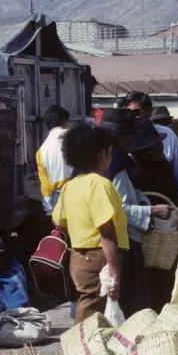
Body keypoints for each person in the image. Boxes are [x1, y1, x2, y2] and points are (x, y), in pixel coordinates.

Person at [53, 123, 128, 323]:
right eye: (109, 153)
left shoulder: (71, 186)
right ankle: (79, 350)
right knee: (92, 311)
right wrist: (115, 272)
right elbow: (107, 233)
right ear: (102, 154)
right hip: (98, 258)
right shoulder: (100, 185)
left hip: (78, 257)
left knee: (88, 303)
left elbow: (59, 219)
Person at [100, 108, 169, 317]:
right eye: (132, 135)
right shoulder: (117, 164)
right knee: (131, 303)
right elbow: (119, 209)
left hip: (98, 243)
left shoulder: (96, 163)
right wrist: (151, 210)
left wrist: (139, 197)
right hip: (122, 242)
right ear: (120, 137)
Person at [127, 121, 178, 312]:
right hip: (146, 240)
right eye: (153, 146)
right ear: (141, 152)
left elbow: (176, 200)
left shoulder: (163, 168)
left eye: (159, 144)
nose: (160, 149)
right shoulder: (132, 174)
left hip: (167, 239)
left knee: (166, 286)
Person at [121, 91, 178, 212]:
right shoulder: (122, 139)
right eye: (127, 113)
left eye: (136, 113)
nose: (131, 117)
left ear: (148, 112)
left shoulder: (168, 135)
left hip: (165, 207)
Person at [36, 105, 73, 216]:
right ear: (64, 121)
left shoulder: (41, 151)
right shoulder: (75, 138)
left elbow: (45, 185)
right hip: (79, 192)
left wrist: (49, 210)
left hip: (57, 199)